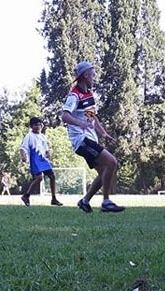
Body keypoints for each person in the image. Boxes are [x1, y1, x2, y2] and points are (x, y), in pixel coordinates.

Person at [61, 62, 124, 213]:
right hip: (81, 141)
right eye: (93, 75)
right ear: (85, 75)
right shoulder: (74, 95)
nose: (94, 78)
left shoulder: (89, 95)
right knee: (112, 162)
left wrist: (103, 133)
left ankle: (84, 201)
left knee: (104, 172)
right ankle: (106, 201)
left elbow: (92, 117)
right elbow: (64, 116)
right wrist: (80, 124)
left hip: (90, 139)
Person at [19, 117, 62, 207]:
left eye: (39, 124)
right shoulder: (29, 136)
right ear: (31, 126)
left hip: (43, 160)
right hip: (35, 159)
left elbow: (46, 149)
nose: (38, 126)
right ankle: (26, 196)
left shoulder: (43, 137)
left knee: (52, 176)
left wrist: (49, 152)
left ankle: (53, 198)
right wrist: (23, 156)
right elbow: (23, 147)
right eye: (35, 125)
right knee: (39, 178)